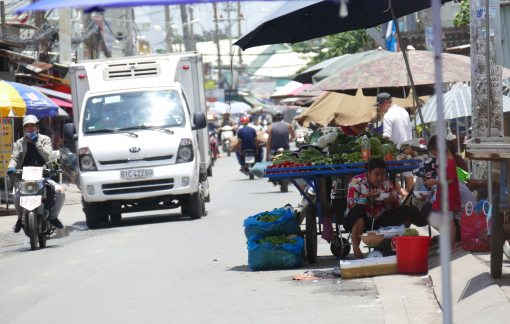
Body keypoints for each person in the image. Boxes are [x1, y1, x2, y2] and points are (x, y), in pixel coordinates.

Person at [343, 158, 420, 259]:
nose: (380, 178)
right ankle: (356, 249)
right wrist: (367, 197)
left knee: (405, 210)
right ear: (369, 172)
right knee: (358, 210)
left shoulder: (387, 183)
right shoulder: (357, 182)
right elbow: (350, 203)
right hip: (359, 220)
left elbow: (398, 204)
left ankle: (401, 245)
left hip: (380, 220)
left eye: (383, 174)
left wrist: (393, 201)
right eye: (376, 174)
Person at [7, 115, 65, 233]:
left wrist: (37, 143)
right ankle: (19, 220)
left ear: (37, 126)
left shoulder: (45, 140)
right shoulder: (19, 143)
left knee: (60, 192)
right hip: (26, 177)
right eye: (27, 126)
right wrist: (11, 167)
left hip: (44, 175)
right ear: (24, 128)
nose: (30, 129)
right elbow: (14, 158)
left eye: (32, 125)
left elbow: (49, 156)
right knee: (17, 196)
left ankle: (53, 217)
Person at [423, 135, 461, 253]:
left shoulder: (448, 163)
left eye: (435, 154)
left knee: (449, 221)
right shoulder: (448, 161)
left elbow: (450, 181)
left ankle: (451, 246)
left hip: (447, 197)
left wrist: (435, 181)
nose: (436, 157)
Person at [375, 92, 414, 190]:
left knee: (385, 176)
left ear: (386, 102)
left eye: (380, 106)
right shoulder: (403, 111)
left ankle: (404, 195)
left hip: (395, 153)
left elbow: (387, 136)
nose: (380, 109)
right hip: (408, 149)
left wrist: (377, 144)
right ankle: (409, 202)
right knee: (409, 177)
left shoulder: (388, 115)